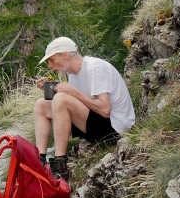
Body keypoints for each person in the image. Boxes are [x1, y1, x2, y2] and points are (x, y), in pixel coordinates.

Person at [34, 36, 135, 180]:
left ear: (66, 54)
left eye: (52, 60)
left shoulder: (95, 68)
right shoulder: (75, 74)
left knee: (61, 100)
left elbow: (105, 110)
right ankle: (40, 161)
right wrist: (53, 90)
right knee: (41, 105)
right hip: (98, 124)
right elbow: (78, 104)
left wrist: (70, 92)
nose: (50, 66)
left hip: (115, 130)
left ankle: (60, 165)